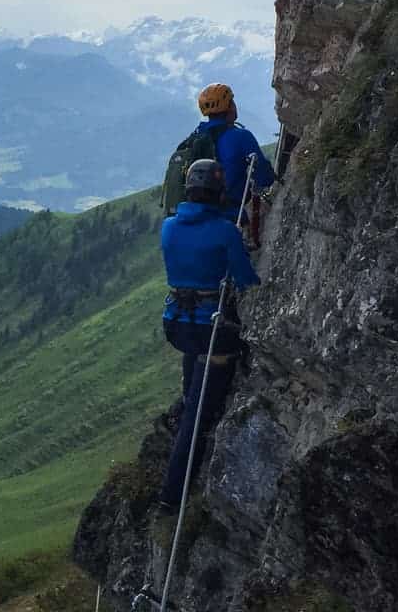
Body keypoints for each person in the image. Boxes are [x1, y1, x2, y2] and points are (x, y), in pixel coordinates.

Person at [157, 159, 260, 512]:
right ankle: (173, 496)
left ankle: (191, 395)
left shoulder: (168, 226)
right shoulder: (224, 230)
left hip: (176, 323)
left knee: (193, 393)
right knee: (198, 416)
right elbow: (246, 278)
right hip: (211, 329)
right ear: (218, 194)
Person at [195, 83, 277, 221]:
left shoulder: (196, 138)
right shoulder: (241, 136)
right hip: (230, 215)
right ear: (229, 106)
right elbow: (264, 178)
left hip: (197, 215)